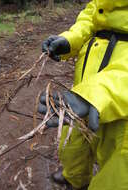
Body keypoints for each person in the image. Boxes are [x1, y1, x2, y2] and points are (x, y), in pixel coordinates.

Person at [38, 1, 128, 189]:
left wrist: (101, 92)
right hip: (84, 88)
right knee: (72, 143)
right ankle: (74, 179)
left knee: (116, 170)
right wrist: (70, 40)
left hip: (121, 101)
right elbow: (90, 18)